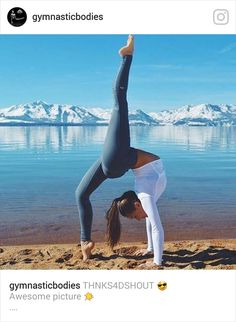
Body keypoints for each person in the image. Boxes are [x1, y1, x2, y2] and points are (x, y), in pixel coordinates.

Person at [75, 35, 167, 266]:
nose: (138, 219)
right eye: (136, 216)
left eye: (135, 216)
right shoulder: (145, 195)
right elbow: (154, 225)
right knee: (119, 102)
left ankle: (86, 240)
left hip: (118, 160)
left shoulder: (144, 194)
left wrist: (154, 259)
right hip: (118, 160)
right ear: (137, 205)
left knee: (120, 103)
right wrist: (155, 260)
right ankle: (127, 56)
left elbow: (151, 221)